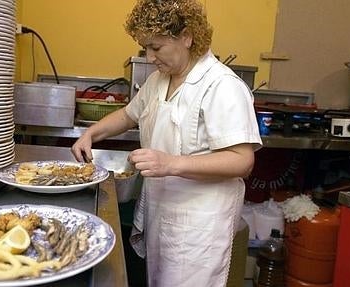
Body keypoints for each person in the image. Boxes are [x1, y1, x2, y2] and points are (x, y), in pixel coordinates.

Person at [71, 0, 262, 286]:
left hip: (198, 228)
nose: (149, 57)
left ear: (186, 36)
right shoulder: (160, 80)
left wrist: (171, 163)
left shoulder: (222, 86)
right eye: (145, 48)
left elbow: (242, 160)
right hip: (163, 214)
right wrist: (90, 134)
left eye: (156, 48)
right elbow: (128, 114)